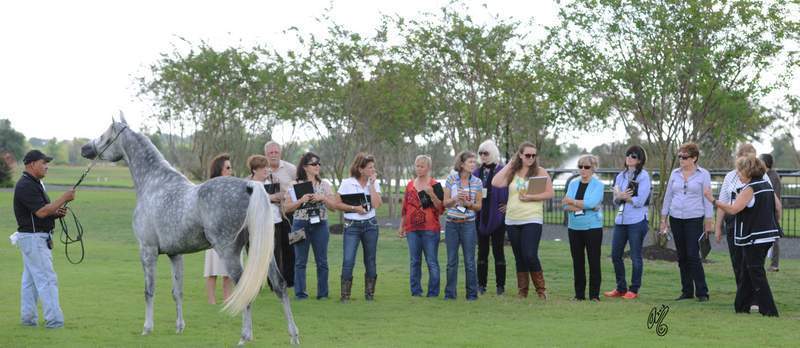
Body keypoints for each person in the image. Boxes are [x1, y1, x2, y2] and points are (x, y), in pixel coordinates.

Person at [703, 155, 781, 316]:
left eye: (740, 171)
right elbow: (778, 207)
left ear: (748, 171)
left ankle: (769, 311)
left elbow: (733, 209)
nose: (737, 174)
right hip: (767, 236)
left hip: (755, 238)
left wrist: (713, 200)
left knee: (756, 273)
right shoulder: (766, 184)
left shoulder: (750, 188)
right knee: (746, 271)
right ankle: (741, 306)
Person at [13, 150, 76, 328]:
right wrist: (64, 197)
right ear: (32, 164)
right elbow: (41, 212)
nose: (47, 166)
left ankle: (28, 320)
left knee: (31, 282)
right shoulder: (26, 185)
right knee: (47, 280)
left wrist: (55, 214)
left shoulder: (34, 183)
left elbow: (41, 212)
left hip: (31, 238)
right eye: (44, 162)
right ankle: (54, 322)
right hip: (34, 239)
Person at [492, 142, 554, 299]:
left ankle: (541, 290)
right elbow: (496, 182)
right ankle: (523, 291)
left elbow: (549, 193)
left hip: (532, 218)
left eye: (534, 155)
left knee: (530, 254)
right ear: (520, 155)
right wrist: (510, 164)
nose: (531, 158)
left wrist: (531, 197)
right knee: (519, 256)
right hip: (512, 219)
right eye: (527, 155)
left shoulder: (540, 171)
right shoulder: (513, 171)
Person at [659, 142, 713, 302]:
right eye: (680, 156)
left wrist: (708, 220)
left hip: (694, 218)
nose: (681, 159)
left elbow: (708, 198)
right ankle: (687, 291)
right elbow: (668, 196)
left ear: (694, 158)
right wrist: (664, 219)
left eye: (685, 157)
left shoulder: (704, 174)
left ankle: (702, 292)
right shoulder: (675, 174)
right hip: (676, 218)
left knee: (692, 254)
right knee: (681, 256)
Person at [716, 144, 773, 288]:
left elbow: (771, 199)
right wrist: (718, 227)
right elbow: (723, 202)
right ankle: (742, 295)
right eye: (745, 158)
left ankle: (754, 295)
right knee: (737, 259)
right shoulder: (730, 176)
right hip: (733, 221)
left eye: (752, 158)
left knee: (753, 262)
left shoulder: (763, 176)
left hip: (753, 222)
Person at [283, 152, 337, 300]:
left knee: (322, 261)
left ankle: (323, 294)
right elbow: (286, 208)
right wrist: (301, 200)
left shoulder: (324, 184)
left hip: (320, 225)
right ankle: (300, 294)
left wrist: (323, 198)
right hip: (299, 224)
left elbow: (334, 207)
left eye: (319, 163)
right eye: (314, 164)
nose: (317, 166)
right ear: (305, 167)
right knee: (299, 261)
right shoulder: (294, 185)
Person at [333, 153, 383, 301]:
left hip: (370, 225)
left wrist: (372, 185)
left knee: (370, 260)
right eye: (370, 167)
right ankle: (345, 295)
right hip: (352, 226)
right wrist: (355, 208)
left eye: (373, 167)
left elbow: (377, 205)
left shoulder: (374, 183)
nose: (373, 170)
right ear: (361, 169)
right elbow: (337, 204)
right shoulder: (347, 183)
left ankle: (369, 294)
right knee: (348, 260)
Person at [604, 145, 651, 300]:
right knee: (616, 255)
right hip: (621, 220)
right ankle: (620, 287)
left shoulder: (644, 176)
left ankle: (634, 289)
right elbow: (615, 199)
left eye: (634, 156)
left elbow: (640, 201)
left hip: (637, 220)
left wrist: (625, 197)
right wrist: (621, 197)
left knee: (635, 256)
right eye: (628, 155)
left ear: (639, 160)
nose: (630, 158)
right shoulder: (620, 176)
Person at [398, 155, 444, 297]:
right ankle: (416, 291)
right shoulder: (410, 185)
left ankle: (433, 292)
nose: (418, 168)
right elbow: (405, 208)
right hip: (412, 230)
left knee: (431, 261)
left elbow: (441, 209)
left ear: (428, 167)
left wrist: (432, 195)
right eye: (417, 165)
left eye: (422, 166)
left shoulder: (435, 185)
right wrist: (402, 226)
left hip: (430, 229)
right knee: (414, 261)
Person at [562, 155, 605, 301]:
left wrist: (574, 202)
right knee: (577, 262)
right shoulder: (573, 183)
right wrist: (583, 205)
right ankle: (579, 295)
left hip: (592, 228)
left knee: (594, 261)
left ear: (593, 168)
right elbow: (565, 205)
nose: (583, 170)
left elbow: (592, 203)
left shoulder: (598, 185)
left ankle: (594, 295)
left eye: (586, 167)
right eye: (580, 166)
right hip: (574, 227)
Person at [442, 151, 483, 301]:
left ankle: (472, 295)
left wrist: (468, 204)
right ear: (461, 164)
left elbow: (479, 206)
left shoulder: (477, 182)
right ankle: (450, 294)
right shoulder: (451, 179)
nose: (473, 164)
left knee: (470, 261)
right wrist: (454, 199)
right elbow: (445, 203)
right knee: (451, 261)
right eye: (470, 162)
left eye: (474, 162)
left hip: (468, 225)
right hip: (452, 224)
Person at [473, 140, 508, 296]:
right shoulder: (476, 172)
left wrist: (509, 205)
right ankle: (481, 284)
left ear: (492, 153)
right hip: (480, 216)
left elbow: (513, 191)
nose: (483, 156)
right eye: (480, 153)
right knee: (482, 252)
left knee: (498, 251)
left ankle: (500, 286)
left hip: (498, 217)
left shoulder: (503, 171)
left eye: (485, 153)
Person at [264, 141, 297, 287]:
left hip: (289, 214)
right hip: (270, 216)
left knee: (291, 246)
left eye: (276, 152)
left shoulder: (290, 169)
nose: (273, 155)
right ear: (266, 154)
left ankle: (290, 281)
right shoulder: (262, 169)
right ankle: (274, 281)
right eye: (270, 152)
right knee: (272, 249)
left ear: (280, 153)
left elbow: (298, 187)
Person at [203, 153, 234, 304]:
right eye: (227, 168)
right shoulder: (210, 187)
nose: (230, 171)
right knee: (212, 269)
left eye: (230, 168)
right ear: (219, 169)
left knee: (228, 270)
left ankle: (228, 299)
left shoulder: (233, 187)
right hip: (214, 234)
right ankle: (211, 301)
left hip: (231, 234)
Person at [760, 153, 782, 272]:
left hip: (771, 211)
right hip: (764, 212)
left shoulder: (774, 176)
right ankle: (761, 263)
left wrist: (777, 214)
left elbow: (776, 197)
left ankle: (774, 264)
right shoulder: (764, 175)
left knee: (774, 239)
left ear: (765, 162)